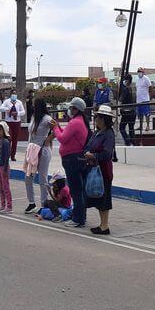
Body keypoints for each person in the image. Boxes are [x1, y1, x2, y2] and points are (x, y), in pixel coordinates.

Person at [50, 97, 90, 228]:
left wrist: (55, 128)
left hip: (72, 160)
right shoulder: (79, 122)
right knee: (80, 190)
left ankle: (78, 219)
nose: (69, 110)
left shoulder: (75, 122)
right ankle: (80, 216)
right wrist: (58, 128)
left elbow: (62, 138)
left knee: (76, 191)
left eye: (71, 108)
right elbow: (66, 136)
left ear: (75, 109)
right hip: (78, 159)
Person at [83, 105, 116, 235]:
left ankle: (105, 225)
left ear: (103, 119)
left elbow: (107, 154)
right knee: (99, 197)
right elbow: (88, 145)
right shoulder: (97, 133)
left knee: (104, 197)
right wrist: (87, 153)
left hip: (104, 170)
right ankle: (102, 224)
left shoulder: (108, 134)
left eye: (97, 117)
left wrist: (94, 156)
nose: (95, 119)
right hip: (94, 168)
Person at [23, 98, 53, 215]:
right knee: (28, 177)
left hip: (43, 151)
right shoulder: (33, 118)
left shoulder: (47, 119)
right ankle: (31, 203)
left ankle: (44, 203)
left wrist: (48, 140)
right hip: (32, 150)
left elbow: (57, 129)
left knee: (42, 178)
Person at [0, 90, 25, 161]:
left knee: (15, 139)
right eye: (13, 94)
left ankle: (13, 155)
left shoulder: (19, 102)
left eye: (15, 94)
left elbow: (23, 112)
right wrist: (8, 109)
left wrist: (17, 113)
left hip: (17, 122)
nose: (14, 95)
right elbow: (1, 108)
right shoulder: (7, 101)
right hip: (9, 122)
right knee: (9, 138)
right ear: (11, 95)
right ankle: (7, 154)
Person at [0, 121, 12, 214]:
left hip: (4, 167)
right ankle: (2, 204)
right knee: (1, 187)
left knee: (6, 187)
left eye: (0, 130)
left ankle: (9, 206)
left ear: (4, 131)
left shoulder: (5, 142)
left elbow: (6, 156)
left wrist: (4, 169)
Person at [118, 73, 137, 146]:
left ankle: (127, 141)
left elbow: (120, 100)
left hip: (126, 112)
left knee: (122, 127)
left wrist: (118, 108)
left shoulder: (126, 89)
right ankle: (133, 142)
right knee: (131, 128)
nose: (124, 81)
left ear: (127, 80)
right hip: (133, 111)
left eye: (124, 80)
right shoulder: (133, 88)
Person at [135, 67, 152, 132]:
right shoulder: (137, 79)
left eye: (140, 71)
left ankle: (147, 126)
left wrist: (149, 97)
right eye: (138, 71)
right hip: (138, 100)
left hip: (145, 99)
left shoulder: (146, 79)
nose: (139, 73)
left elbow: (150, 87)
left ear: (143, 72)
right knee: (140, 114)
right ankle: (141, 126)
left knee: (147, 114)